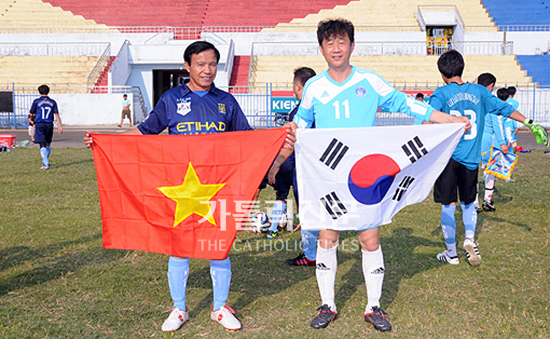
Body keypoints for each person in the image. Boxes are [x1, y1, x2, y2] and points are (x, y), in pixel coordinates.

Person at [269, 19, 471, 332]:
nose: (336, 48)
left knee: (370, 238)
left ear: (352, 45)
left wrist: (448, 119)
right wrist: (279, 158)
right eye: (329, 43)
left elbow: (406, 105)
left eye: (342, 42)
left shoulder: (369, 81)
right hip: (330, 177)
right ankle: (328, 304)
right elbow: (301, 129)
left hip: (365, 176)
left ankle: (373, 307)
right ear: (321, 48)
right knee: (328, 237)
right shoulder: (314, 88)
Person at [85, 41, 295, 333]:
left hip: (218, 188)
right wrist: (106, 141)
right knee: (179, 248)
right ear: (187, 66)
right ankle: (179, 308)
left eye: (212, 65)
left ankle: (220, 307)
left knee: (218, 247)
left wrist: (277, 139)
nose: (207, 70)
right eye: (201, 64)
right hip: (180, 188)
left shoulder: (226, 102)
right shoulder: (171, 99)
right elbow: (144, 133)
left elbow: (247, 142)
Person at [429, 50, 545, 267]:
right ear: (462, 68)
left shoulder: (441, 94)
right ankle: (470, 239)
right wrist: (529, 121)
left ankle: (451, 254)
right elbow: (504, 109)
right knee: (467, 204)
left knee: (447, 205)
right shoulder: (480, 92)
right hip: (471, 159)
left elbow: (427, 120)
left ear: (442, 73)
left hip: (448, 158)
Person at [267, 66, 319, 267]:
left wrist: (276, 164)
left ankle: (311, 255)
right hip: (324, 167)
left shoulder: (299, 112)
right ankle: (323, 249)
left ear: (298, 87)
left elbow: (292, 141)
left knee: (302, 208)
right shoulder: (325, 107)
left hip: (302, 166)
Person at [475, 74, 510, 212]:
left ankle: (474, 202)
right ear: (490, 86)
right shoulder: (491, 101)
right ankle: (487, 201)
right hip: (487, 140)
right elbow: (497, 124)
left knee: (472, 171)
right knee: (490, 171)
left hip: (473, 139)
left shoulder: (473, 98)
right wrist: (502, 143)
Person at [29, 84, 63, 169]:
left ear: (39, 91)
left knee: (42, 143)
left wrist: (32, 121)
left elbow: (31, 114)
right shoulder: (52, 102)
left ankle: (45, 162)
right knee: (48, 143)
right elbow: (56, 114)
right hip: (49, 124)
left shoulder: (36, 101)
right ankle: (45, 161)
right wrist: (60, 126)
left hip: (40, 123)